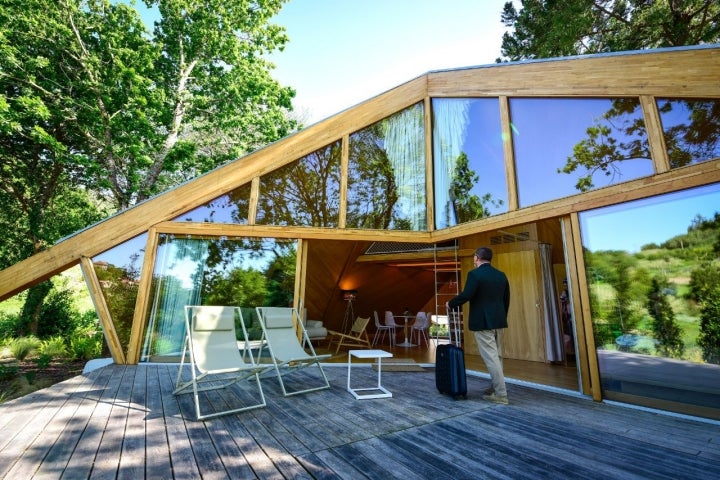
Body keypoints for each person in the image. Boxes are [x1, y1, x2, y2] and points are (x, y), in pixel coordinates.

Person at [446, 246, 510, 404]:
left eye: (474, 258)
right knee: (497, 356)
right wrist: (501, 317)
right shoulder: (501, 275)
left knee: (491, 358)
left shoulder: (474, 274)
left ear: (476, 258)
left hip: (483, 322)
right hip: (498, 321)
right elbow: (506, 299)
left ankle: (501, 394)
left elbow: (467, 294)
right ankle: (496, 387)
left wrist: (451, 304)